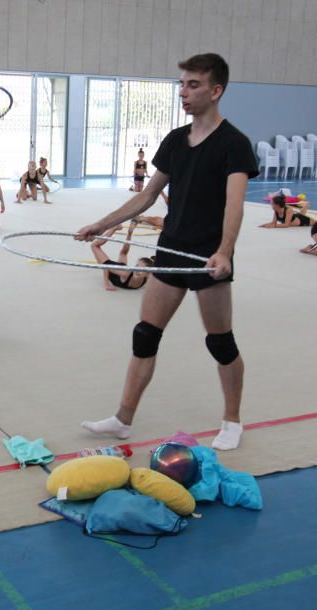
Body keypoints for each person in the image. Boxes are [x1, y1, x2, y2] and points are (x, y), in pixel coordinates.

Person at [75, 53, 258, 451]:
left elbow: (235, 205)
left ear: (216, 90)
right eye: (181, 84)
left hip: (207, 260)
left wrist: (224, 252)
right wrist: (102, 224)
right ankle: (123, 419)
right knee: (145, 335)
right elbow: (147, 195)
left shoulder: (235, 145)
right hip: (171, 251)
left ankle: (232, 420)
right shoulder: (176, 140)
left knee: (220, 343)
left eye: (193, 85)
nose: (183, 92)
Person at [91, 222, 154, 291]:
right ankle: (113, 228)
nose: (136, 270)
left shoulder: (148, 278)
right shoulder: (126, 273)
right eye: (137, 266)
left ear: (148, 274)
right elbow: (106, 267)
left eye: (141, 269)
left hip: (122, 267)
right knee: (94, 246)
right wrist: (107, 285)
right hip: (111, 268)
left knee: (123, 253)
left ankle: (127, 232)